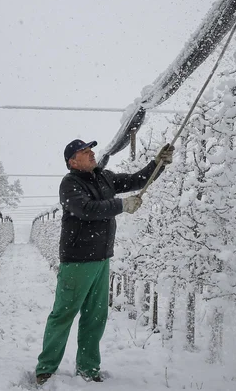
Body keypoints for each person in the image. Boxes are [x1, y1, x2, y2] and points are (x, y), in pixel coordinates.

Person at [34, 139, 174, 385]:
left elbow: (136, 180)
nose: (91, 154)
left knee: (95, 316)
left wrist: (158, 163)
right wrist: (122, 204)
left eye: (91, 150)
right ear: (72, 161)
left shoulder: (104, 177)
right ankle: (46, 368)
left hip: (101, 258)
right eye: (85, 152)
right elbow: (85, 209)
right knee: (64, 314)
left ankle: (88, 368)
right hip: (77, 260)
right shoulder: (70, 184)